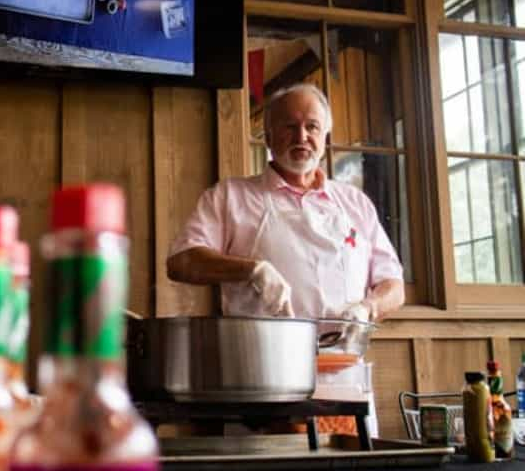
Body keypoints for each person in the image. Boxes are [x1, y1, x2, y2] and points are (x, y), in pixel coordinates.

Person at [166, 83, 404, 322]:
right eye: (290, 127)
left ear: (324, 137)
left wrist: (369, 307)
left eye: (312, 127)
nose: (302, 136)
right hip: (264, 355)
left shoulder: (355, 202)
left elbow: (393, 285)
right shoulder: (230, 196)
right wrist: (252, 270)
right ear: (268, 138)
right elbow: (182, 261)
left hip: (345, 356)